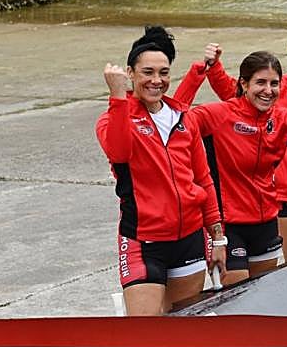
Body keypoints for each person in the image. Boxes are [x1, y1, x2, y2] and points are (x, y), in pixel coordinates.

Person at [181, 51, 287, 286]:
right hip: (229, 225)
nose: (268, 90)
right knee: (238, 299)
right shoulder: (219, 115)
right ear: (244, 84)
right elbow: (175, 121)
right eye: (260, 82)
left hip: (267, 223)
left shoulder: (283, 119)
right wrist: (195, 77)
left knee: (262, 295)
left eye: (274, 83)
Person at [96, 26, 226, 316]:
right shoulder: (112, 119)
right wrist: (117, 96)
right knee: (144, 332)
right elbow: (119, 152)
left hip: (190, 239)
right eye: (148, 72)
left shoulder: (183, 118)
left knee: (182, 330)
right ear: (130, 73)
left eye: (164, 73)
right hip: (144, 241)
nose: (157, 80)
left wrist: (218, 237)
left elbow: (203, 179)